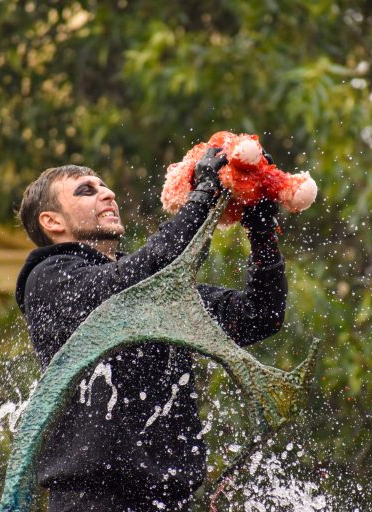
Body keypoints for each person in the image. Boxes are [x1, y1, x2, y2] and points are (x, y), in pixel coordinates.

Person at [15, 147, 287, 511]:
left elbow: (259, 314)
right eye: (86, 190)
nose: (107, 193)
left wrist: (262, 231)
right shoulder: (48, 278)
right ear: (52, 222)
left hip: (171, 500)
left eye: (104, 185)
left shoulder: (157, 287)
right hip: (91, 500)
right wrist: (203, 195)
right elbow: (128, 282)